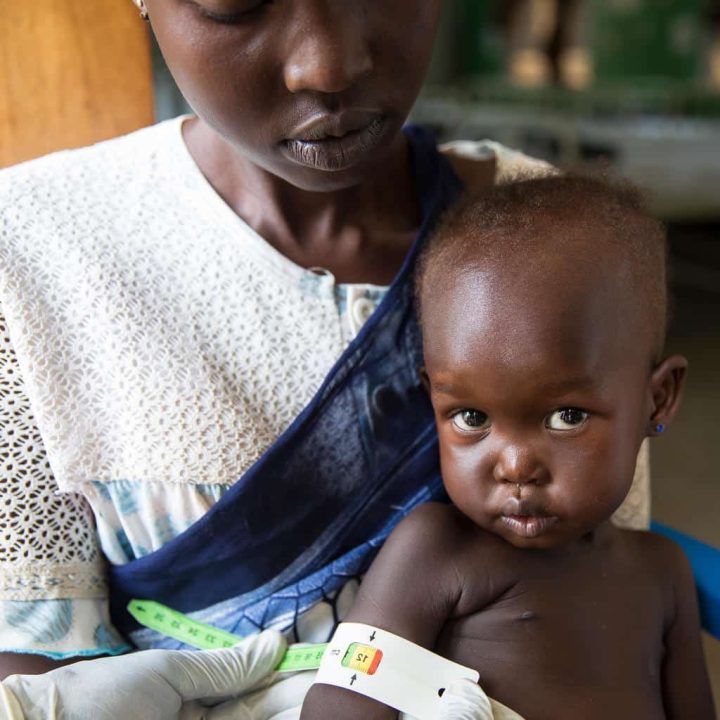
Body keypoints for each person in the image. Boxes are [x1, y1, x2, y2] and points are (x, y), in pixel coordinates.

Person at [0, 1, 649, 716]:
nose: (330, 65)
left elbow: (612, 614)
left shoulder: (568, 240)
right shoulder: (32, 252)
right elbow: (36, 662)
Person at [300, 176, 716, 719]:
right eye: (471, 417)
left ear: (656, 399)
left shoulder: (663, 574)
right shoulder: (435, 552)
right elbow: (341, 709)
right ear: (433, 401)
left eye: (567, 417)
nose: (516, 465)